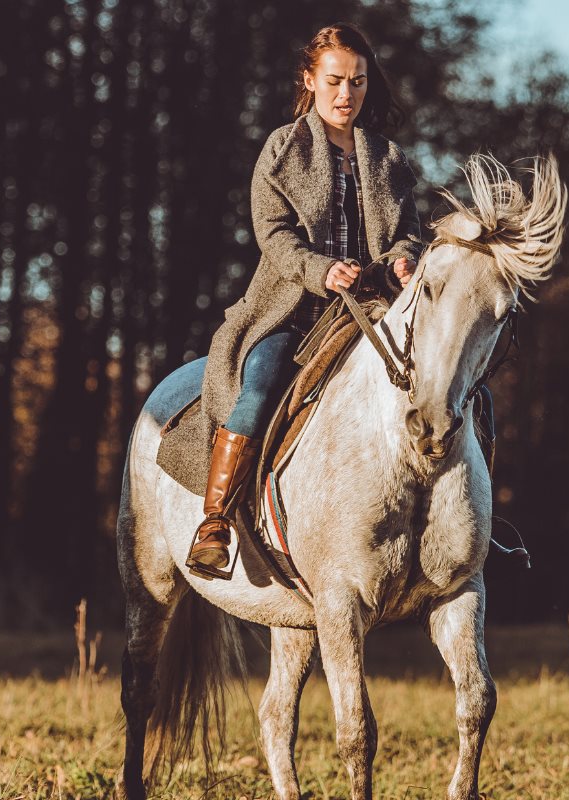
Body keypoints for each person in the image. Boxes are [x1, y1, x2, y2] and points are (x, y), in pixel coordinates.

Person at [185, 22, 424, 578]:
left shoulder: (387, 156)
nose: (348, 95)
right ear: (310, 81)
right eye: (336, 81)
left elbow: (408, 231)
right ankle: (215, 523)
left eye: (359, 82)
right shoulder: (283, 147)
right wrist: (321, 270)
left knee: (440, 384)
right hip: (292, 314)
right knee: (257, 391)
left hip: (371, 317)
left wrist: (402, 259)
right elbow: (272, 232)